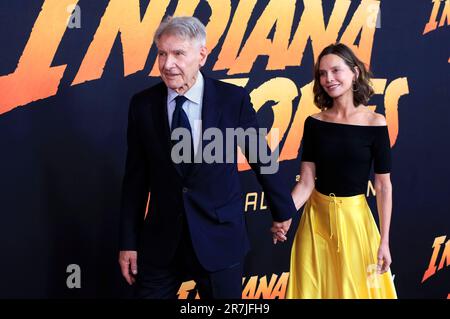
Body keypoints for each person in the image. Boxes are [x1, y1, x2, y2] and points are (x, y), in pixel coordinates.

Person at [118, 16, 296, 299]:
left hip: (219, 237)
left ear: (202, 55)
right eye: (161, 54)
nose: (167, 64)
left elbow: (260, 156)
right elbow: (135, 180)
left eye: (178, 53)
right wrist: (128, 242)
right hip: (161, 241)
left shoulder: (232, 100)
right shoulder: (143, 104)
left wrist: (282, 209)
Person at [282, 43, 397, 298]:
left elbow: (382, 186)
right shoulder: (314, 123)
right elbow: (307, 181)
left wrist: (384, 241)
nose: (328, 79)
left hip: (355, 223)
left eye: (336, 70)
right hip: (315, 221)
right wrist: (284, 214)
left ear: (355, 73)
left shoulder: (375, 124)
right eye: (322, 73)